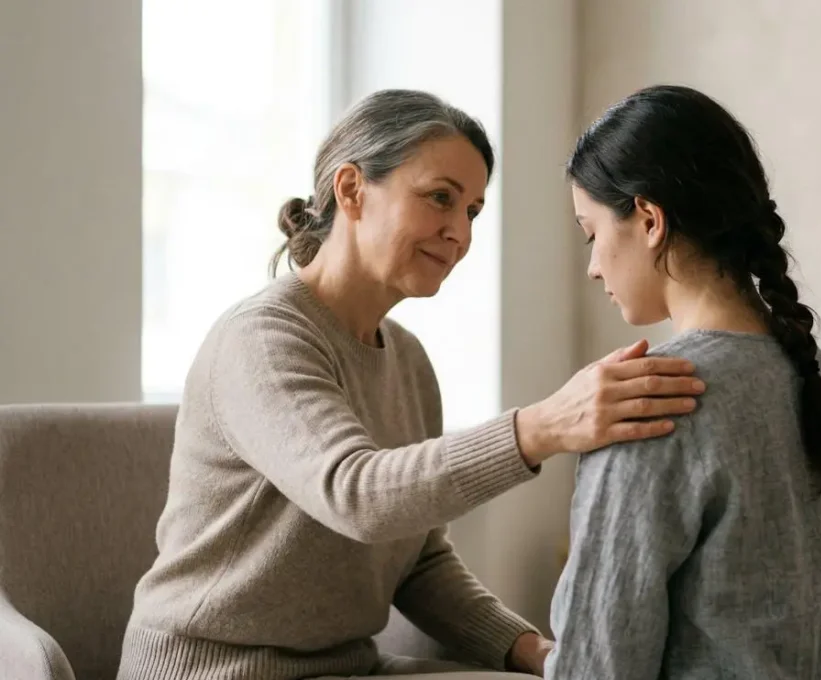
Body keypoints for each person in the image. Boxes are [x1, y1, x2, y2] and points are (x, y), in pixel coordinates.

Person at [116, 89, 706, 680]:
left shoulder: (408, 360)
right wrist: (543, 426)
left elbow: (418, 563)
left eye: (472, 211)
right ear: (351, 190)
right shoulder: (260, 340)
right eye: (440, 198)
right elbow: (357, 496)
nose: (459, 234)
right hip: (213, 669)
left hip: (347, 666)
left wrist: (533, 651)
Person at [544, 84, 821, 680]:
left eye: (591, 233)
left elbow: (597, 663)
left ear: (648, 219)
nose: (592, 266)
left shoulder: (648, 399)